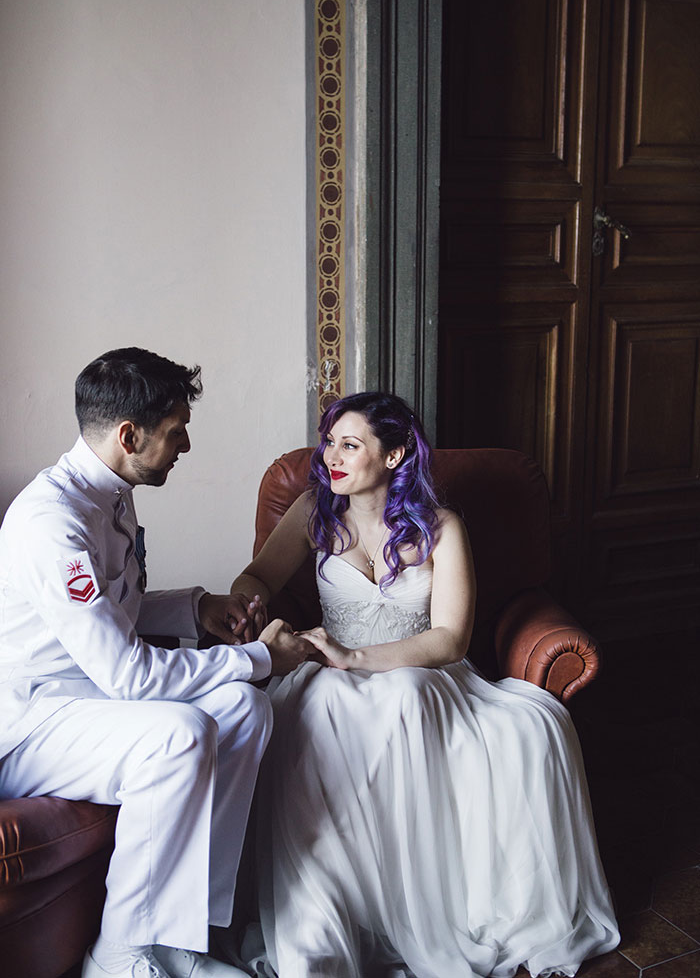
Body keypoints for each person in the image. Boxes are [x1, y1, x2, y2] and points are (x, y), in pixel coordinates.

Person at [228, 391, 620, 978]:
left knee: (478, 713)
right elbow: (258, 574)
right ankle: (329, 921)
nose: (330, 456)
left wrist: (356, 655)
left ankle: (435, 910)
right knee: (327, 705)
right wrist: (247, 610)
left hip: (424, 671)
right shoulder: (313, 509)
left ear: (393, 455)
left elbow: (450, 640)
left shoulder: (441, 526)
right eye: (329, 441)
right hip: (329, 675)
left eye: (350, 445)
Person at [0, 348, 311, 978]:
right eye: (176, 431)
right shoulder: (51, 522)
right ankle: (120, 956)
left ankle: (186, 937)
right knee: (178, 736)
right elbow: (130, 676)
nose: (186, 444)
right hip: (34, 722)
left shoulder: (111, 493)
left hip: (89, 700)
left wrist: (198, 611)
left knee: (244, 711)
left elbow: (115, 611)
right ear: (128, 435)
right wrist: (255, 656)